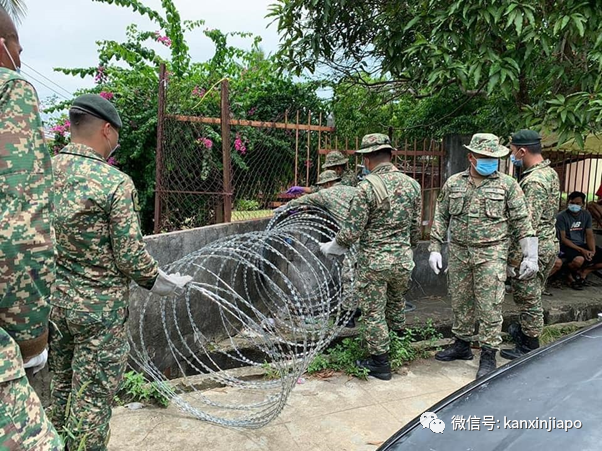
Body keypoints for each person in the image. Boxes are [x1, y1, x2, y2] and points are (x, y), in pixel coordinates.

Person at [48, 94, 193, 451]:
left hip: (54, 305)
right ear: (107, 130)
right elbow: (130, 256)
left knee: (61, 388)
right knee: (92, 400)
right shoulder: (114, 182)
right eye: (117, 135)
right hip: (99, 313)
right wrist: (163, 283)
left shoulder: (44, 171)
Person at [0, 7, 63, 450]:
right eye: (18, 46)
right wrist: (29, 339)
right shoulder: (12, 91)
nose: (22, 56)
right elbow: (21, 231)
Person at [428, 133, 537, 379]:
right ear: (471, 157)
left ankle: (488, 353)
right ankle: (462, 344)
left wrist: (530, 256)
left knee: (490, 305)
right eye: (484, 157)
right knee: (460, 300)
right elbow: (441, 216)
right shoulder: (454, 183)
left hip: (492, 253)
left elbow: (523, 222)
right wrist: (434, 248)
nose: (490, 161)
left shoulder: (508, 185)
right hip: (459, 252)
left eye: (494, 157)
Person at [320, 133, 422, 381]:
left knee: (373, 312)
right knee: (396, 302)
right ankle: (398, 345)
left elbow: (352, 231)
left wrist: (332, 247)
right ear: (391, 155)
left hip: (375, 262)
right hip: (402, 260)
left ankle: (380, 363)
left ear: (367, 160)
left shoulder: (366, 187)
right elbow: (414, 230)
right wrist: (405, 249)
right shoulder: (413, 185)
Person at [502, 130, 560, 360]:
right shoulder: (549, 173)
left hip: (535, 248)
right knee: (533, 295)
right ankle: (526, 333)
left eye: (512, 151)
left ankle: (529, 347)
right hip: (547, 244)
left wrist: (514, 259)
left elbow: (526, 226)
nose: (512, 155)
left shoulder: (534, 182)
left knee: (528, 298)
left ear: (522, 151)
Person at [283, 169, 360, 326]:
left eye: (323, 186)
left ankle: (348, 317)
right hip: (371, 237)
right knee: (366, 275)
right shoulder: (355, 190)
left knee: (349, 276)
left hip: (354, 240)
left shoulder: (327, 193)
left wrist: (282, 210)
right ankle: (360, 308)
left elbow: (304, 200)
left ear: (327, 184)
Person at [556, 191, 602, 288]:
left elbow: (589, 235)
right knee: (579, 260)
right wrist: (582, 250)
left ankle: (585, 272)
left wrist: (592, 250)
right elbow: (563, 239)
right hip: (567, 246)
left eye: (578, 204)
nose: (574, 206)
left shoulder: (586, 215)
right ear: (568, 202)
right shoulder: (561, 216)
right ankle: (567, 274)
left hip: (581, 245)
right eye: (572, 203)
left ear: (583, 204)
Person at [287, 150, 358, 195]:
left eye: (329, 168)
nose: (327, 171)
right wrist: (303, 189)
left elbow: (329, 191)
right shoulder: (341, 176)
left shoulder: (349, 179)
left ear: (338, 168)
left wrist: (304, 190)